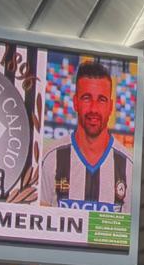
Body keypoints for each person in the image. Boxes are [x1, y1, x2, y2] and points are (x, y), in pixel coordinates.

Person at [41, 61, 133, 213]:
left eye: (101, 100)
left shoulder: (129, 167)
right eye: (86, 98)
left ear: (110, 106)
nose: (93, 109)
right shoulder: (50, 159)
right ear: (75, 102)